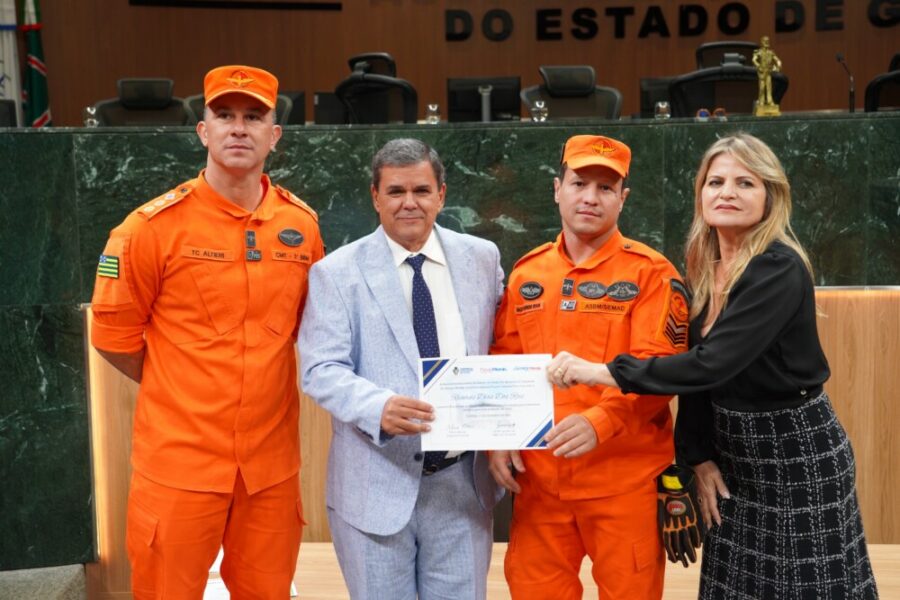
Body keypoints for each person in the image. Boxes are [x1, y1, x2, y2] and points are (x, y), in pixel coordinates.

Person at [548, 133, 879, 599]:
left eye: (745, 183)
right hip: (733, 454)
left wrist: (604, 371)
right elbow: (699, 383)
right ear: (700, 194)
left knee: (806, 587)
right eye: (715, 181)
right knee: (735, 587)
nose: (727, 192)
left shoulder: (778, 268)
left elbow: (710, 365)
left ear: (771, 196)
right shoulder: (704, 267)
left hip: (794, 454)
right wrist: (697, 457)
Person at [90, 65, 324, 599]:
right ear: (203, 131)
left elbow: (309, 329)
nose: (238, 128)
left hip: (268, 471)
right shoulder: (149, 229)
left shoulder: (302, 226)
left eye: (253, 116)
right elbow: (114, 338)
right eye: (224, 115)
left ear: (274, 134)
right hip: (179, 466)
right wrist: (184, 388)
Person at [298, 138, 504, 599]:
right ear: (375, 196)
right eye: (395, 191)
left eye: (421, 190)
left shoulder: (482, 258)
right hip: (375, 485)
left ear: (441, 194)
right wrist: (378, 406)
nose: (409, 202)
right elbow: (319, 368)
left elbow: (501, 348)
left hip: (461, 488)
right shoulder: (335, 272)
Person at [490, 134, 690, 600]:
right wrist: (496, 440)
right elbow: (504, 362)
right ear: (557, 189)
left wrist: (601, 421)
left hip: (624, 484)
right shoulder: (527, 273)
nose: (590, 198)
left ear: (623, 198)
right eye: (580, 183)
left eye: (605, 188)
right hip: (539, 486)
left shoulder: (652, 274)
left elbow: (660, 370)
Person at [752, 36, 782, 108]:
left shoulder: (771, 52)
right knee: (762, 88)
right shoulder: (759, 52)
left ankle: (769, 101)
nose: (766, 42)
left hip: (768, 72)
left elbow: (777, 60)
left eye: (767, 41)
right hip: (762, 72)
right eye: (765, 41)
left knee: (769, 87)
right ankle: (761, 102)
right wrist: (759, 66)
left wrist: (778, 65)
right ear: (762, 42)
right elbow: (754, 60)